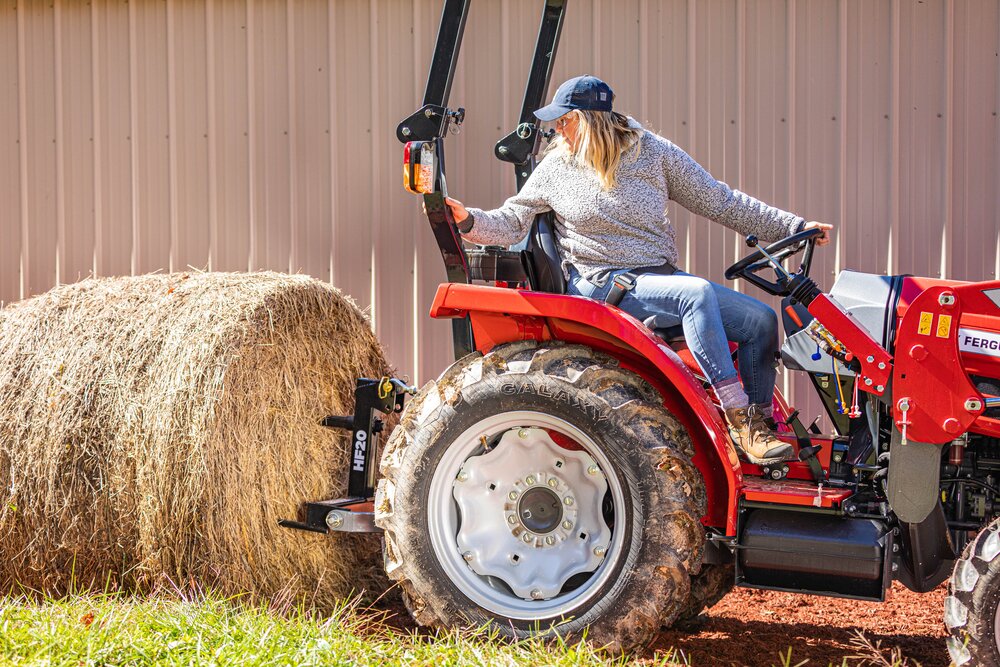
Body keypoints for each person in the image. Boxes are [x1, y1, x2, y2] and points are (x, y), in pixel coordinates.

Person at [443, 75, 832, 465]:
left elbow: (721, 200)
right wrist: (467, 219)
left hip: (657, 276)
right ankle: (738, 421)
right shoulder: (556, 166)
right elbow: (514, 220)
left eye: (564, 120)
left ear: (589, 120)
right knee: (695, 295)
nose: (557, 129)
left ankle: (759, 430)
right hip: (601, 282)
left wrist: (795, 227)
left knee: (759, 320)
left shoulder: (654, 153)